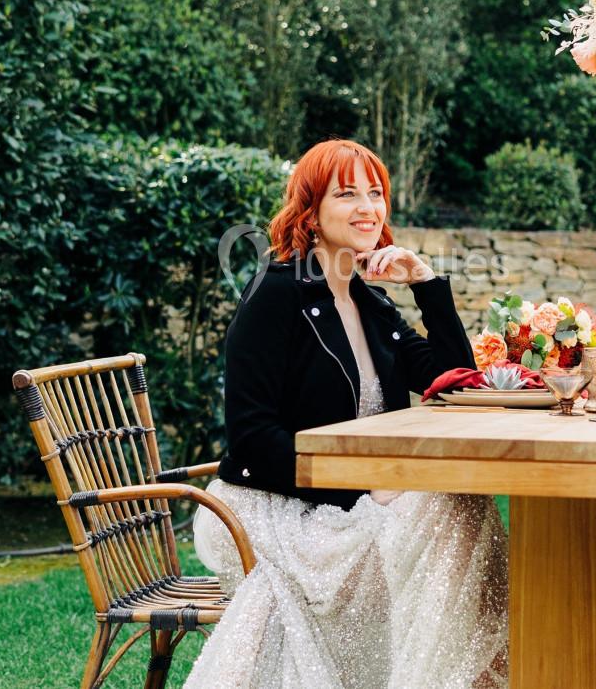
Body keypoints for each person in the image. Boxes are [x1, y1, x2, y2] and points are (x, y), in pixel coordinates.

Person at [186, 139, 508, 689]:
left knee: (459, 503)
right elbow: (252, 437)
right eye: (347, 194)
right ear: (310, 213)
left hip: (350, 492)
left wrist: (427, 284)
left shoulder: (370, 302)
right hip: (268, 506)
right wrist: (359, 485)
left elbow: (452, 380)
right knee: (441, 512)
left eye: (376, 193)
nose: (367, 207)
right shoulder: (276, 294)